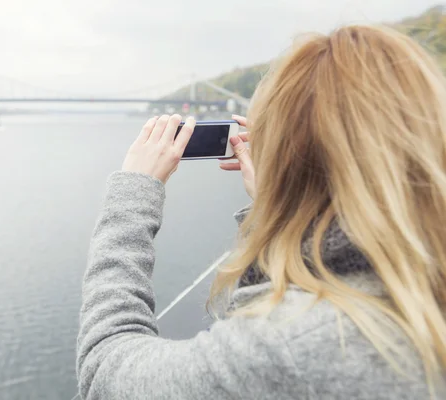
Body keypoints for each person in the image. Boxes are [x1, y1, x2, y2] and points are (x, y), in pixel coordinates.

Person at [76, 25, 446, 399]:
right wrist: (278, 210)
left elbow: (105, 369)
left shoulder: (295, 346)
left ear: (286, 159)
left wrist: (134, 192)